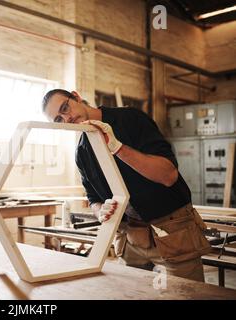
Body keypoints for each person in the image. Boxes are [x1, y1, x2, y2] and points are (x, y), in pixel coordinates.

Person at [42, 89, 211, 282]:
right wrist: (101, 211)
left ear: (76, 96)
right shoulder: (82, 152)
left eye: (65, 107)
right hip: (131, 237)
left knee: (187, 293)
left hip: (173, 230)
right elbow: (93, 199)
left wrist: (118, 148)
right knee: (133, 293)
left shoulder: (130, 119)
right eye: (59, 119)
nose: (68, 117)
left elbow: (168, 176)